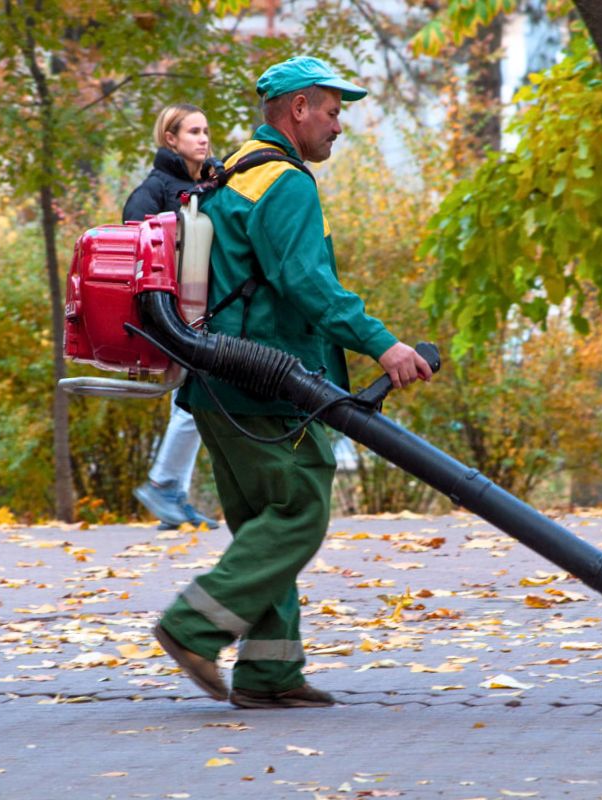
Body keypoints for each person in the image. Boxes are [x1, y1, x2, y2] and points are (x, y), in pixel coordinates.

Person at [153, 57, 433, 709]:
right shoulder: (284, 184)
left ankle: (269, 673)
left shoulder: (236, 170)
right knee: (300, 514)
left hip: (218, 385)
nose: (339, 127)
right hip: (269, 388)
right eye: (333, 112)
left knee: (263, 529)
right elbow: (308, 285)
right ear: (298, 109)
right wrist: (382, 345)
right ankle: (192, 626)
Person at [123, 104, 220, 531]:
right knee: (194, 397)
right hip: (175, 312)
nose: (203, 139)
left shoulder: (214, 182)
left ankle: (172, 498)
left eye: (206, 132)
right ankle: (163, 485)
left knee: (189, 398)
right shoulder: (155, 188)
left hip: (207, 307)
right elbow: (133, 243)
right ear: (172, 139)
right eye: (193, 132)